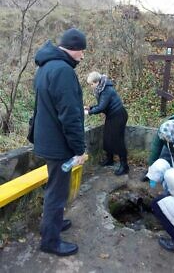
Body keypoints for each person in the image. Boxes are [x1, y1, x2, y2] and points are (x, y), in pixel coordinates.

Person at [33, 27, 87, 256]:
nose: (83, 56)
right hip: (59, 146)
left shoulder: (45, 67)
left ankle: (51, 223)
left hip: (46, 140)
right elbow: (70, 116)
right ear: (73, 49)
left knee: (54, 188)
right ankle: (50, 241)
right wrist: (79, 149)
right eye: (81, 51)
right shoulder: (63, 71)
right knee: (57, 192)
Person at [85, 71, 129, 176]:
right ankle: (109, 159)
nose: (91, 86)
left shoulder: (106, 90)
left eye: (91, 84)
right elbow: (101, 104)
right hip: (111, 116)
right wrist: (90, 107)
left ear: (97, 82)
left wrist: (89, 112)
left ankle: (124, 166)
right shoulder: (101, 88)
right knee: (107, 138)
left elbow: (101, 107)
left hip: (118, 115)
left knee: (118, 140)